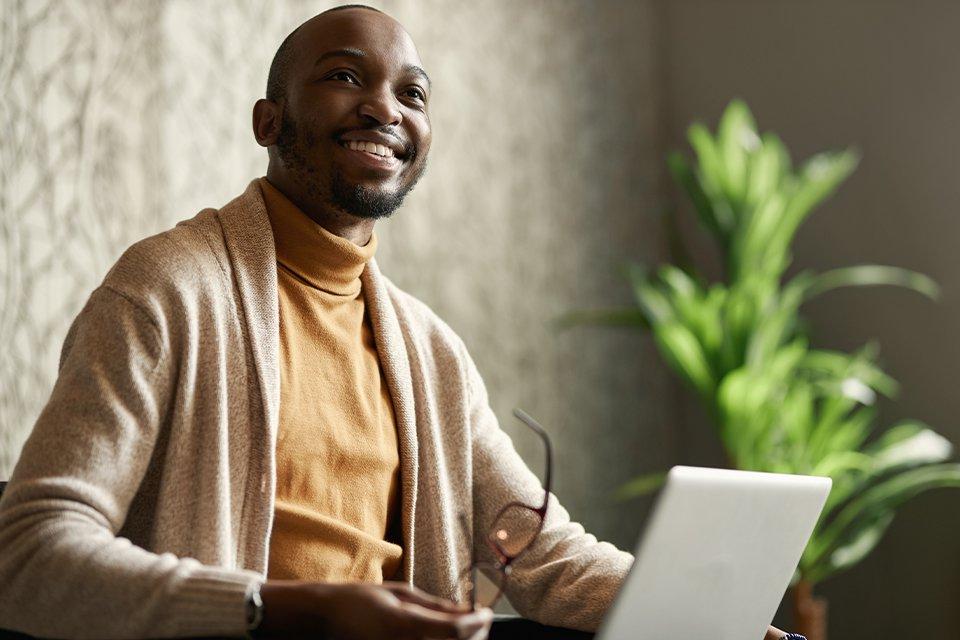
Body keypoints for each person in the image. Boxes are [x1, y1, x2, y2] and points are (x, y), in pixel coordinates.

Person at [0, 5, 796, 640]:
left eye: (412, 92)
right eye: (345, 77)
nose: (383, 107)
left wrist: (725, 623)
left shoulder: (428, 350)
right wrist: (295, 609)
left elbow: (545, 555)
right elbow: (30, 557)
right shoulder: (167, 289)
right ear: (268, 121)